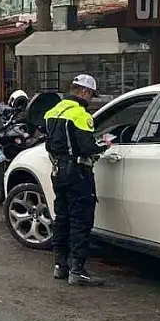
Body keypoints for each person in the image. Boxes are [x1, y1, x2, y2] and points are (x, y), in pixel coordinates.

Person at [43, 74, 108, 286]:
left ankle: (60, 266)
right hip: (78, 172)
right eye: (90, 95)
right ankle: (78, 270)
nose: (90, 99)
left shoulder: (52, 112)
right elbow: (88, 147)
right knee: (81, 220)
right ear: (84, 92)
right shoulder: (80, 115)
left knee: (62, 218)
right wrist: (106, 145)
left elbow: (48, 145)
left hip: (57, 171)